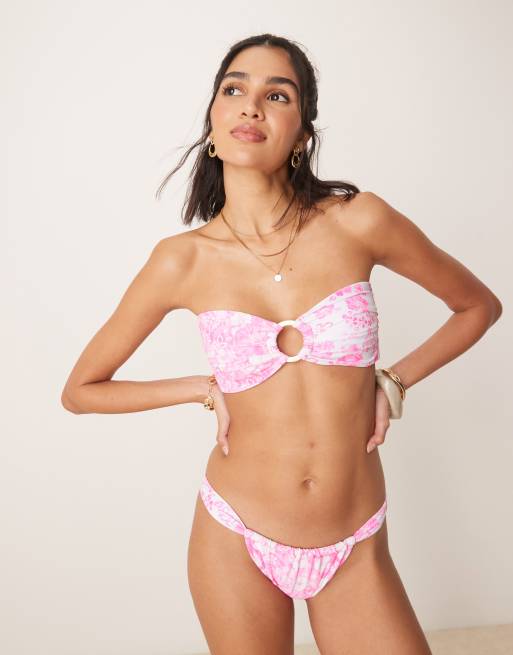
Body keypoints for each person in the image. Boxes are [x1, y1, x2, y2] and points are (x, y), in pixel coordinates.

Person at [61, 33, 503, 655]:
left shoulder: (359, 221)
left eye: (277, 95)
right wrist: (201, 388)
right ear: (213, 124)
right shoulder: (182, 261)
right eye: (234, 89)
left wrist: (394, 381)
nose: (251, 106)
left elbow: (478, 306)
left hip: (353, 540)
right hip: (235, 535)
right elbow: (80, 391)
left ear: (302, 135)